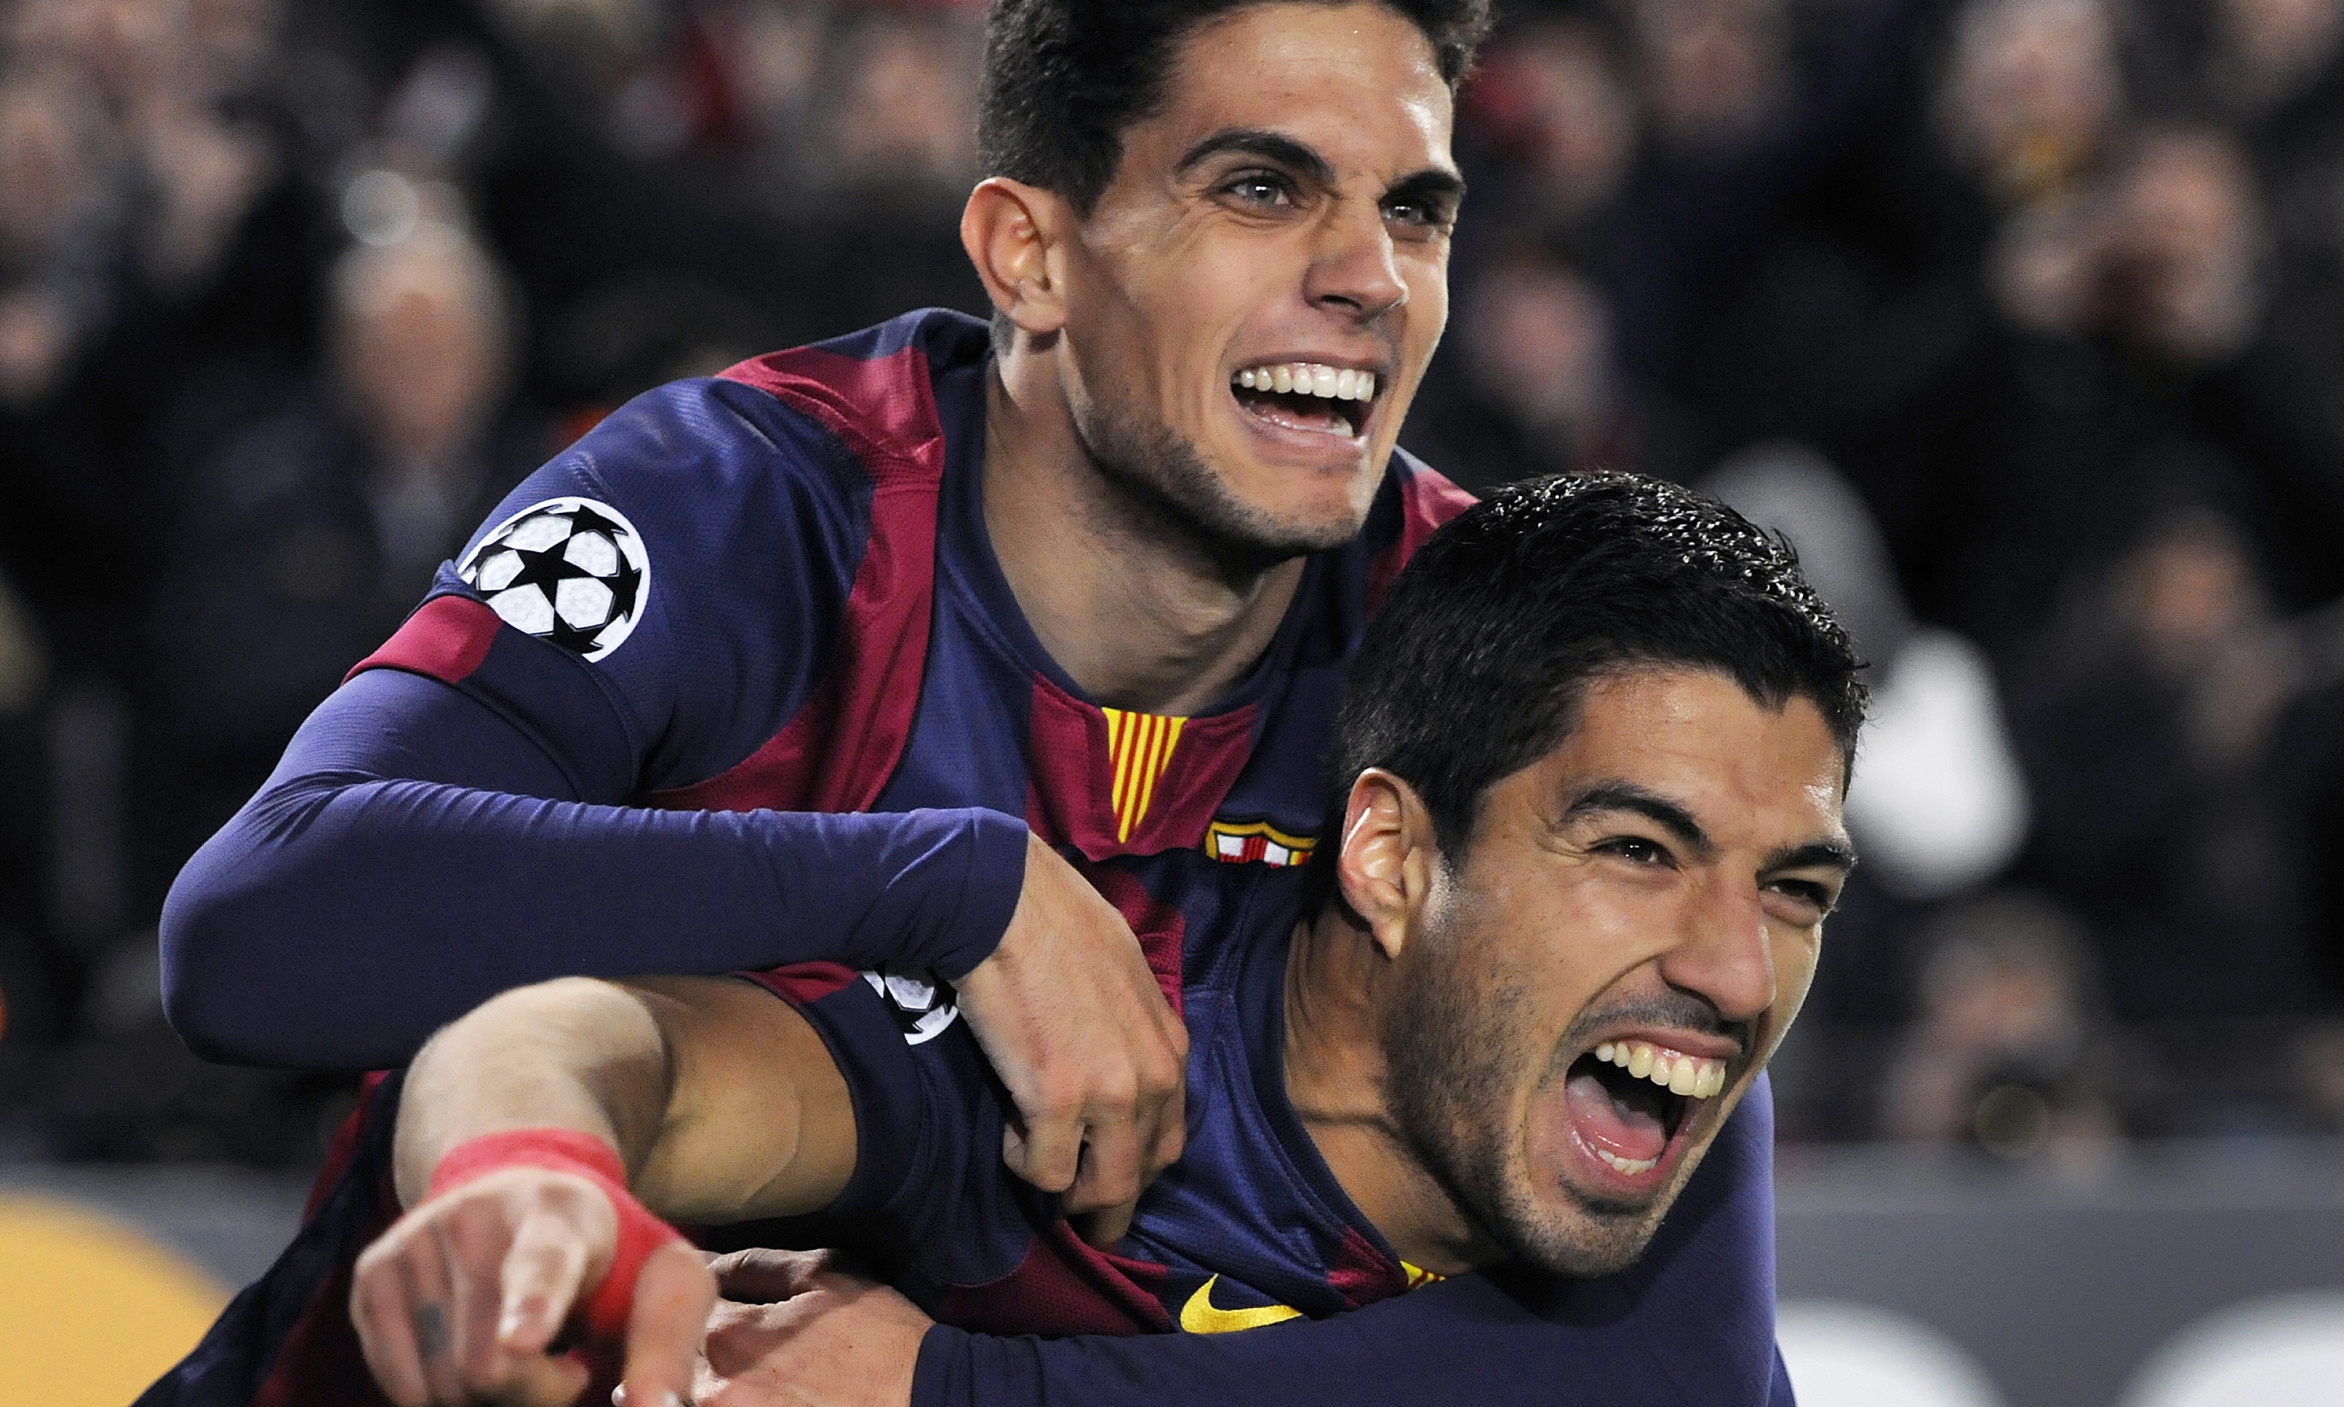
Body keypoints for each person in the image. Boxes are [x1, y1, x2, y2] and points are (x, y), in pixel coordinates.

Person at [149, 3, 1797, 1404]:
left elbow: (1686, 1355)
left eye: (1417, 212)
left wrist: (954, 1390)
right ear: (1032, 255)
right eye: (1261, 186)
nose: (1371, 276)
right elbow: (261, 929)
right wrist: (943, 883)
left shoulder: (1490, 649)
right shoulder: (752, 512)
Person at [341, 473, 1860, 1407]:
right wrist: (519, 1174)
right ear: (1394, 858)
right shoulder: (1083, 1052)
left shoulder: (1656, 1117)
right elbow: (597, 1048)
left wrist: (953, 1390)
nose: (1734, 973)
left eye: (1795, 889)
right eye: (1639, 852)